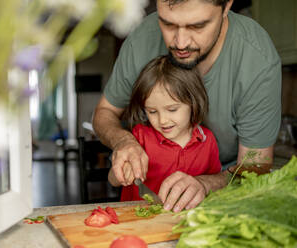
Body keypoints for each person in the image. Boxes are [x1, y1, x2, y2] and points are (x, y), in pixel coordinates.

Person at [93, 0, 281, 212]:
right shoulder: (142, 37)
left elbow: (256, 167)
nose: (180, 43)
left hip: (222, 195)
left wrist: (205, 184)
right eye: (167, 23)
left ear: (227, 7)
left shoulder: (257, 58)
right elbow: (104, 112)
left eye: (197, 26)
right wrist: (123, 141)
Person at [108, 55, 222, 206]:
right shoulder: (139, 137)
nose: (162, 121)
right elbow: (112, 179)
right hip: (137, 223)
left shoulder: (207, 140)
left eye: (172, 109)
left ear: (193, 102)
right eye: (152, 112)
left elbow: (214, 186)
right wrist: (122, 173)